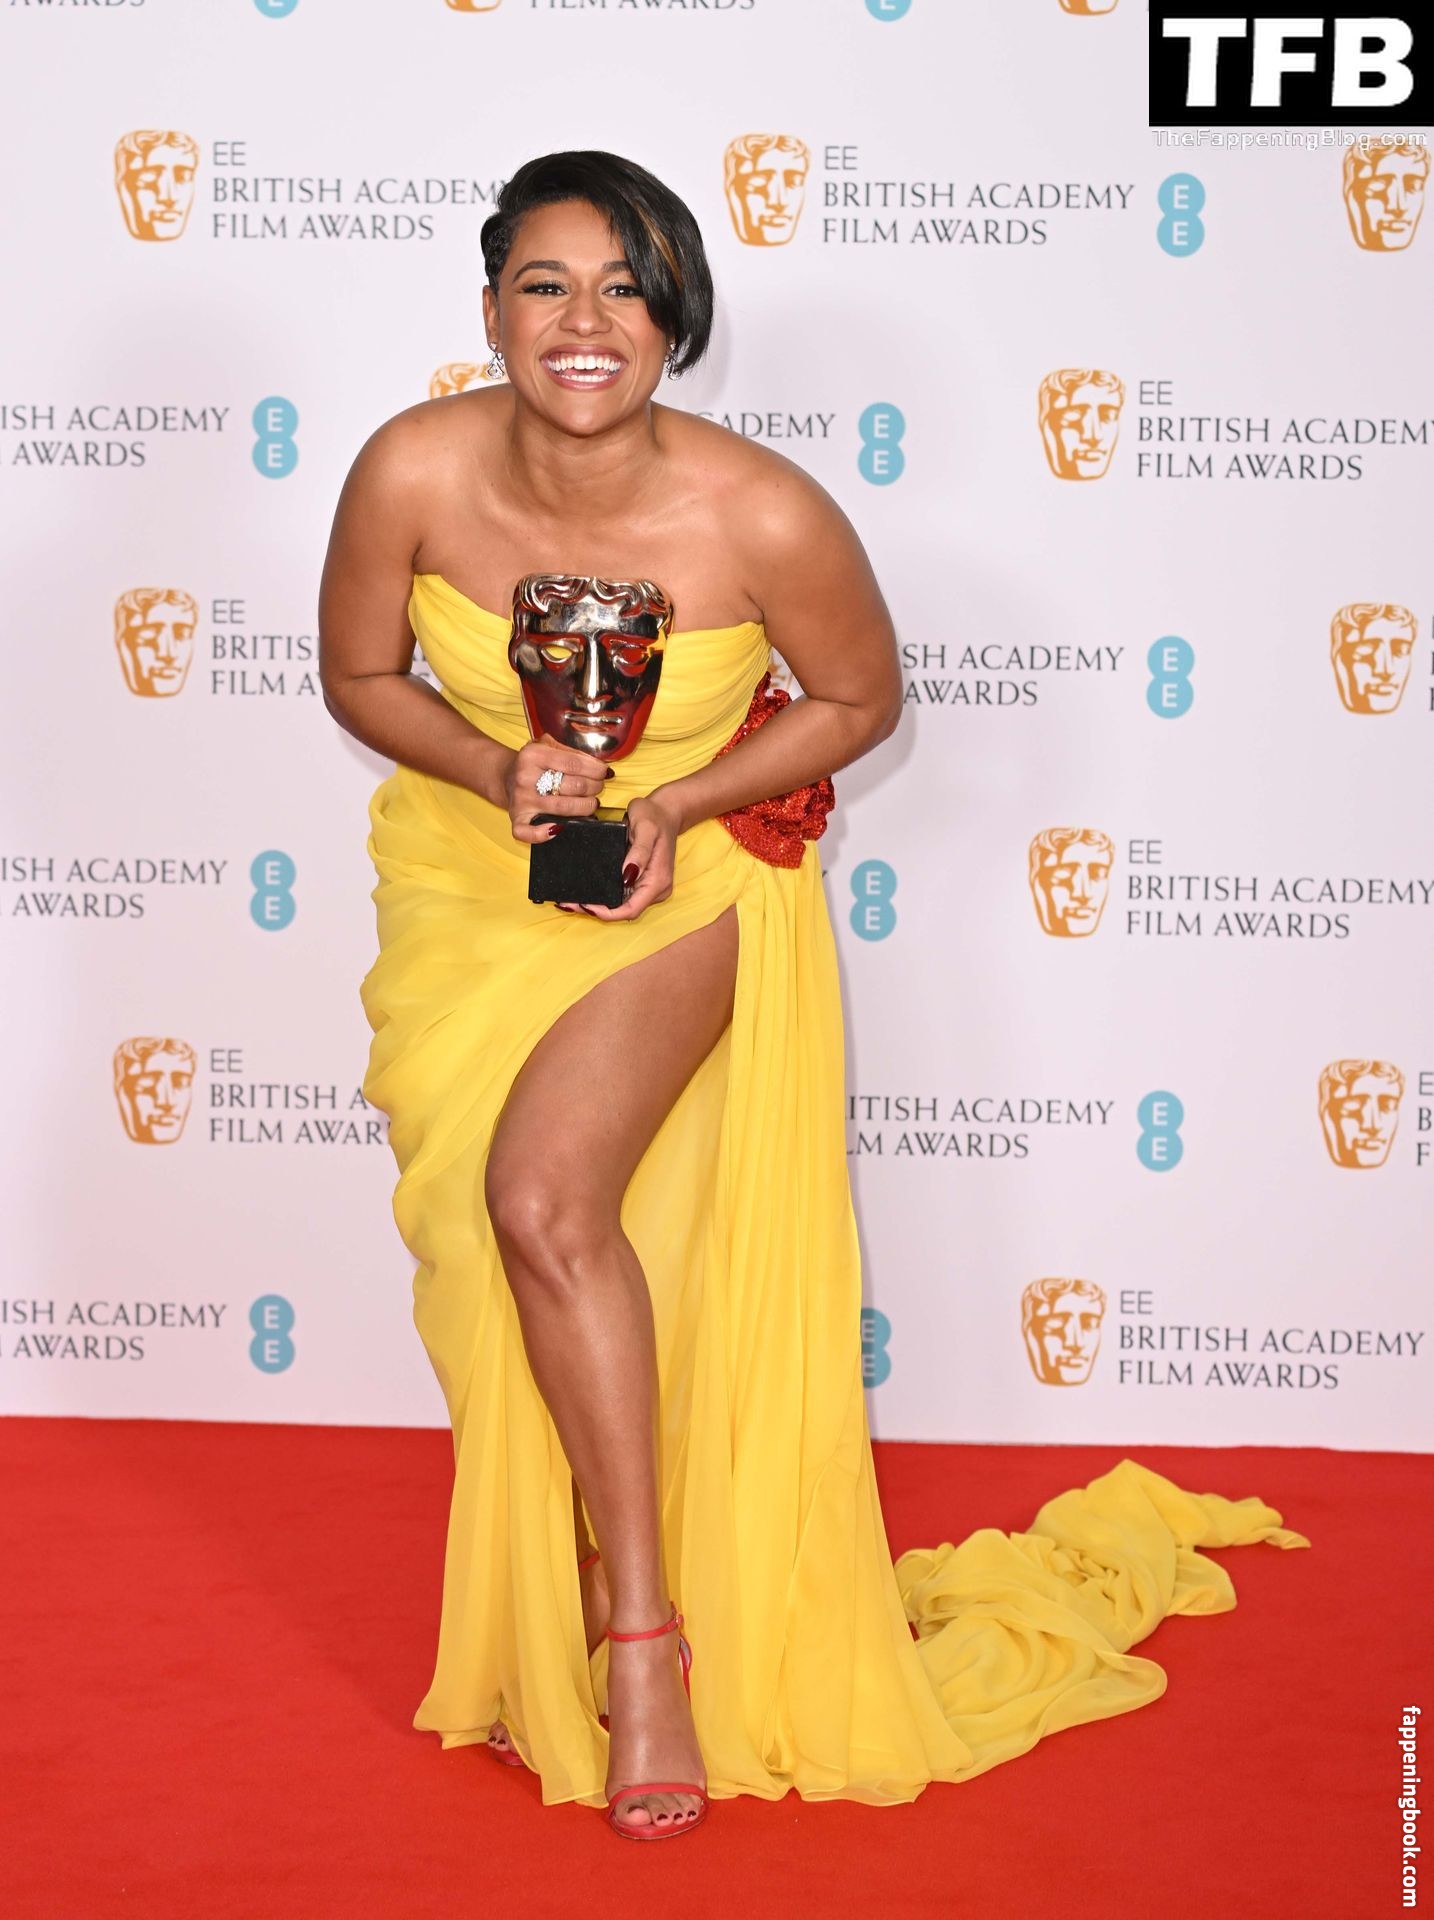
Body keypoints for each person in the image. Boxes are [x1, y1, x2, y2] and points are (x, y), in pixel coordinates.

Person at [319, 150, 1309, 1843]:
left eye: (623, 288)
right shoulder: (408, 466)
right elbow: (357, 673)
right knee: (503, 1267)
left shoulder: (762, 510)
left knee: (542, 1203)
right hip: (467, 888)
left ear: (675, 318)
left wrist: (680, 802)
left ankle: (646, 1641)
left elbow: (856, 698)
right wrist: (497, 768)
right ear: (488, 305)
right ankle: (587, 1579)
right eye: (545, 283)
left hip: (693, 888)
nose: (581, 321)